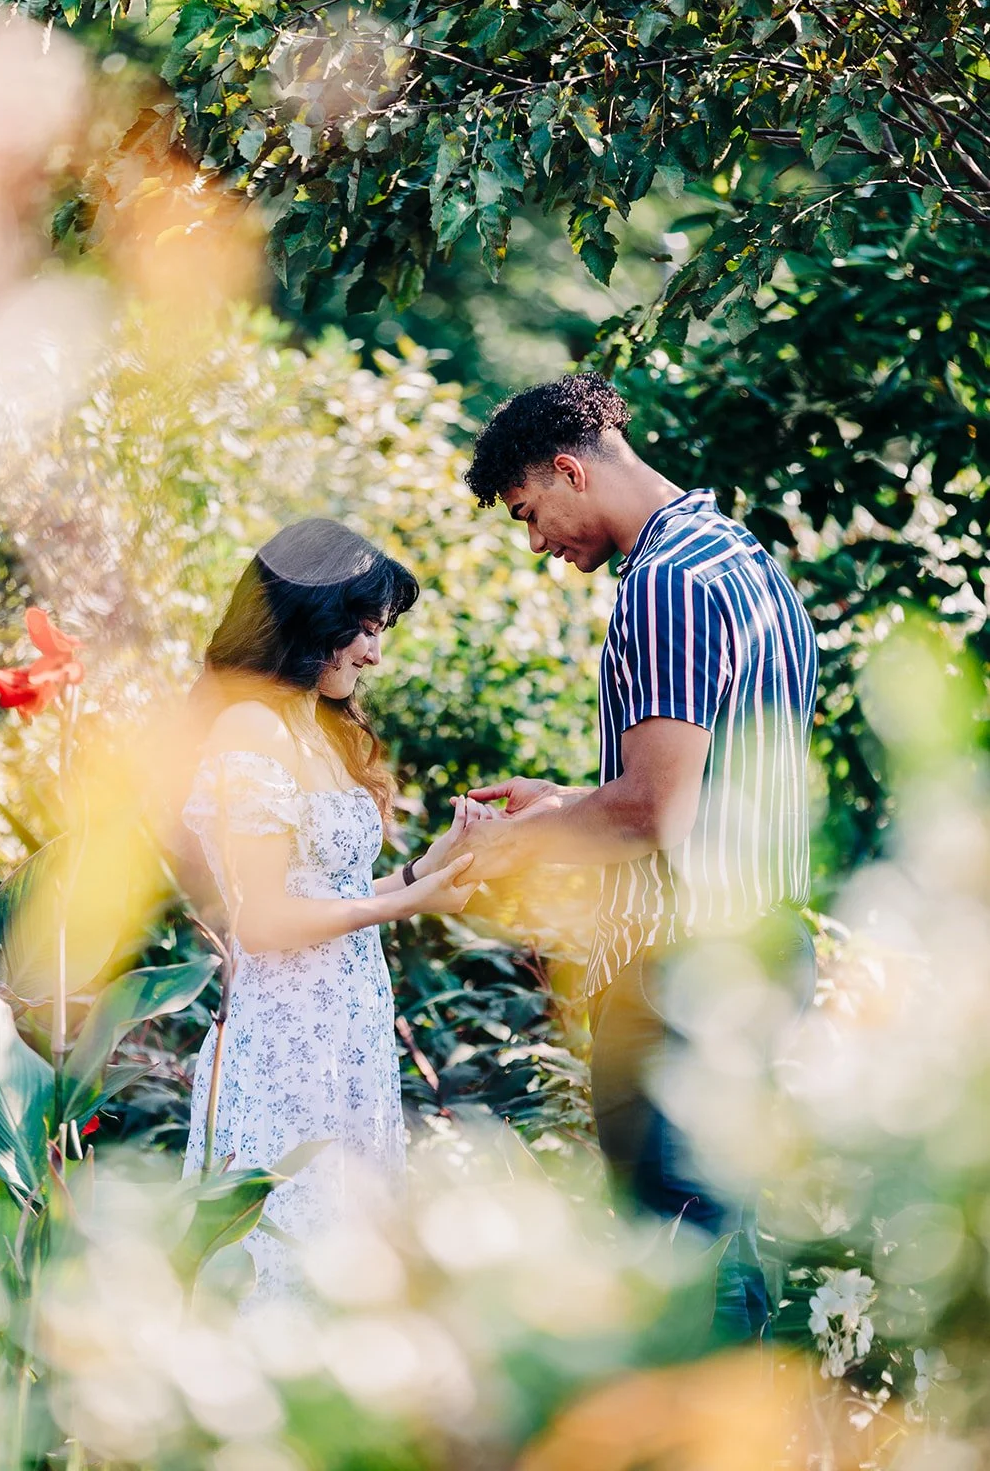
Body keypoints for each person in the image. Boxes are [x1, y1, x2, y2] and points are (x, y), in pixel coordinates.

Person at [456, 373, 819, 1341]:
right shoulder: (740, 560)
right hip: (756, 953)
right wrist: (568, 799)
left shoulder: (661, 583)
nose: (536, 543)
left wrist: (514, 840)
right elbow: (698, 784)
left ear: (570, 469)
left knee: (676, 1278)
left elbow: (657, 808)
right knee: (727, 1247)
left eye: (531, 513)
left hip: (677, 981)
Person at [180, 518, 484, 1301]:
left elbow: (330, 894)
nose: (375, 653)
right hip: (285, 1039)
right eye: (366, 629)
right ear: (311, 618)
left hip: (344, 1029)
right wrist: (411, 902)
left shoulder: (310, 728)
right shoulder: (247, 728)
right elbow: (262, 919)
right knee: (287, 1254)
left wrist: (431, 861)